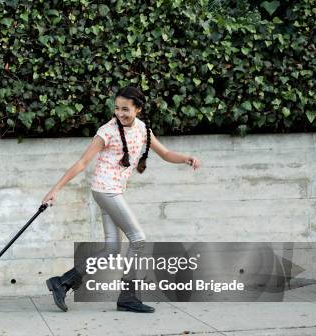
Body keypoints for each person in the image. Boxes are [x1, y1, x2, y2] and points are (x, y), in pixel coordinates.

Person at [42, 86, 202, 313]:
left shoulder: (143, 130)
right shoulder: (106, 132)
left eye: (125, 109)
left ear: (138, 109)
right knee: (138, 240)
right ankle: (128, 296)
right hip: (105, 191)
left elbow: (165, 154)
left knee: (112, 250)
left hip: (113, 191)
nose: (120, 113)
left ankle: (63, 281)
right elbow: (81, 163)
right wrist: (55, 189)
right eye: (117, 108)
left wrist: (187, 158)